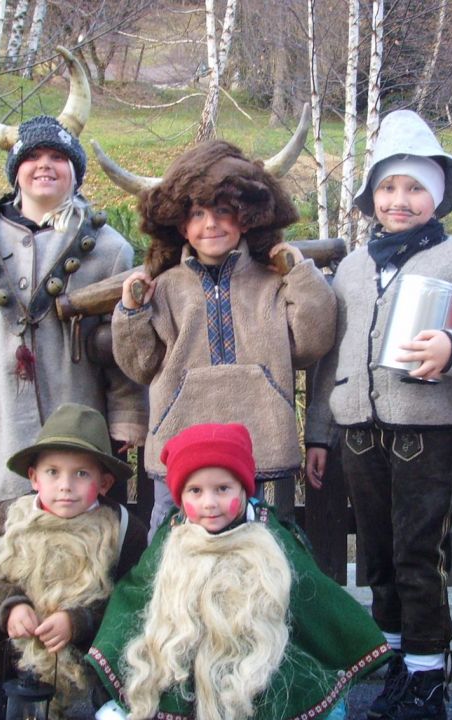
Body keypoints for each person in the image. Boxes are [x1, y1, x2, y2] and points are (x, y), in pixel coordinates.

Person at [304, 109, 452, 720]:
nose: (400, 200)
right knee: (380, 553)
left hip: (427, 431)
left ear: (437, 197)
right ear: (371, 197)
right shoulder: (355, 269)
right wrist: (319, 432)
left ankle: (428, 673)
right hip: (358, 431)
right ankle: (395, 663)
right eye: (389, 187)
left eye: (415, 188)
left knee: (420, 553)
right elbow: (330, 356)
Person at [0, 58, 147, 572]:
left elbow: (122, 349)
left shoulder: (108, 250)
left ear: (74, 170)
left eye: (57, 157)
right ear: (16, 170)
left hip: (76, 431)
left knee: (83, 560)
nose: (44, 165)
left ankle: (74, 647)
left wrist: (125, 421)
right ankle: (1, 650)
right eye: (33, 157)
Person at [86, 422, 391, 720]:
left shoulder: (265, 531)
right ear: (180, 496)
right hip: (184, 665)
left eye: (222, 488)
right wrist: (107, 650)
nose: (210, 503)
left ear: (243, 488)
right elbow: (136, 593)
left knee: (297, 695)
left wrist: (356, 642)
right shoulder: (173, 535)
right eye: (195, 491)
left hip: (259, 664)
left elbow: (312, 592)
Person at [110, 140, 336, 533]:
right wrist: (131, 313)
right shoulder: (164, 289)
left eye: (223, 211)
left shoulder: (274, 284)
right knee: (171, 545)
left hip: (262, 442)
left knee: (268, 544)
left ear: (246, 217)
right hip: (177, 446)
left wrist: (300, 274)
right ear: (181, 225)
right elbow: (140, 365)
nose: (209, 223)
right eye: (197, 213)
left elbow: (311, 344)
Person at [0, 403, 149, 720]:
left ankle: (107, 695)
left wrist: (78, 621)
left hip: (86, 636)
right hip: (25, 631)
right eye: (52, 472)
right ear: (34, 478)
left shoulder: (122, 528)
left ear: (105, 483)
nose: (65, 485)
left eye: (81, 474)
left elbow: (130, 598)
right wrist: (11, 606)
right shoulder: (14, 518)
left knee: (127, 631)